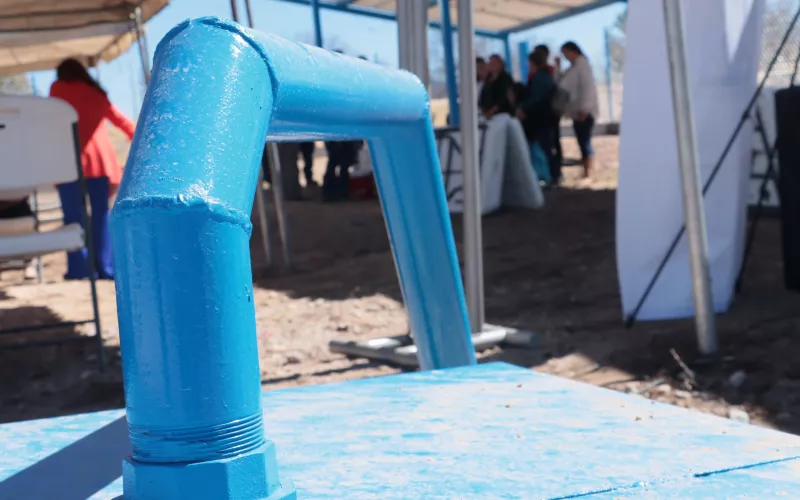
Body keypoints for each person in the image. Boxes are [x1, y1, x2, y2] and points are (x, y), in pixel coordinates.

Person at [50, 58, 136, 280]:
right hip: (99, 163)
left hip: (68, 164)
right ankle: (106, 268)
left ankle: (80, 269)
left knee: (73, 219)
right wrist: (143, 142)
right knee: (101, 216)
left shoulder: (57, 90)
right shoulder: (97, 93)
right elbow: (123, 122)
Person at [556, 41, 599, 178]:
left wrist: (584, 108)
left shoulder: (583, 66)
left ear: (573, 51)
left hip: (584, 110)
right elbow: (561, 83)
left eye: (566, 53)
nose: (565, 56)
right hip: (576, 110)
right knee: (581, 139)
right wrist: (557, 68)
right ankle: (586, 167)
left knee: (585, 139)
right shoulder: (573, 68)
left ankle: (589, 169)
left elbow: (587, 88)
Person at [516, 50, 556, 185]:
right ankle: (550, 174)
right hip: (545, 117)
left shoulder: (539, 78)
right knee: (545, 146)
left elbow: (535, 98)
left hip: (540, 118)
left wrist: (523, 108)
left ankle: (548, 175)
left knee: (543, 148)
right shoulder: (545, 76)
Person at [533, 44, 563, 184]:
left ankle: (553, 173)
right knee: (551, 143)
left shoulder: (544, 74)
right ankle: (554, 172)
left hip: (545, 114)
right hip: (549, 114)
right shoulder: (543, 73)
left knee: (549, 143)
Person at [478, 54, 514, 119]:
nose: (492, 65)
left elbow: (504, 98)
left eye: (495, 63)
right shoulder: (488, 80)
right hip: (486, 114)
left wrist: (492, 110)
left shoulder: (505, 78)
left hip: (502, 114)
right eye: (491, 62)